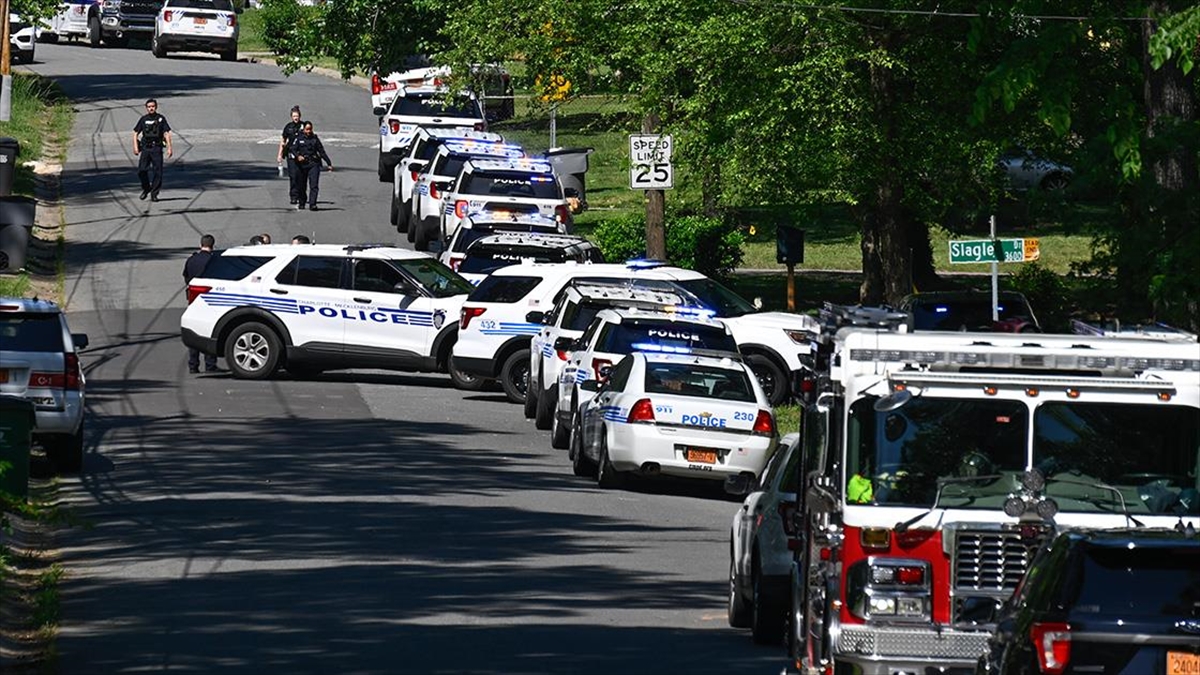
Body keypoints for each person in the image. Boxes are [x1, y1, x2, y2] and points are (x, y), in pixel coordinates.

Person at [183, 234, 220, 374]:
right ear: (212, 245)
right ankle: (210, 364)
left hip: (193, 298)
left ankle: (193, 364)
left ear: (201, 245)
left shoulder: (192, 259)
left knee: (194, 330)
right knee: (209, 331)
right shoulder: (215, 260)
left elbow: (186, 276)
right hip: (211, 299)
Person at [132, 98, 173, 202]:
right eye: (149, 107)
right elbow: (135, 132)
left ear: (156, 107)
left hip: (157, 148)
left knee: (158, 172)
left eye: (153, 106)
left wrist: (169, 148)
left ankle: (154, 193)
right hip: (146, 148)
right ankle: (146, 188)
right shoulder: (143, 119)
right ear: (146, 108)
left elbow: (166, 133)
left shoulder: (161, 119)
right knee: (141, 171)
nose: (151, 108)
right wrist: (136, 147)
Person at [288, 121, 333, 211]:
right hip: (301, 165)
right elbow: (292, 149)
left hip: (313, 164)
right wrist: (298, 156)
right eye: (307, 129)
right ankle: (302, 201)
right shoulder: (298, 138)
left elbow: (321, 151)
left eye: (310, 129)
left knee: (314, 185)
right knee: (301, 185)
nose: (309, 131)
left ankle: (313, 204)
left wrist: (329, 163)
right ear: (304, 129)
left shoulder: (315, 139)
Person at [277, 105, 306, 205]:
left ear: (300, 116)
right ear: (291, 117)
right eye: (294, 116)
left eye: (297, 116)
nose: (296, 118)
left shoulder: (304, 126)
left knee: (301, 176)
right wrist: (279, 154)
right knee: (293, 176)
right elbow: (283, 141)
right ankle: (293, 196)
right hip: (291, 154)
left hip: (301, 155)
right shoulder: (288, 127)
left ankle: (301, 195)